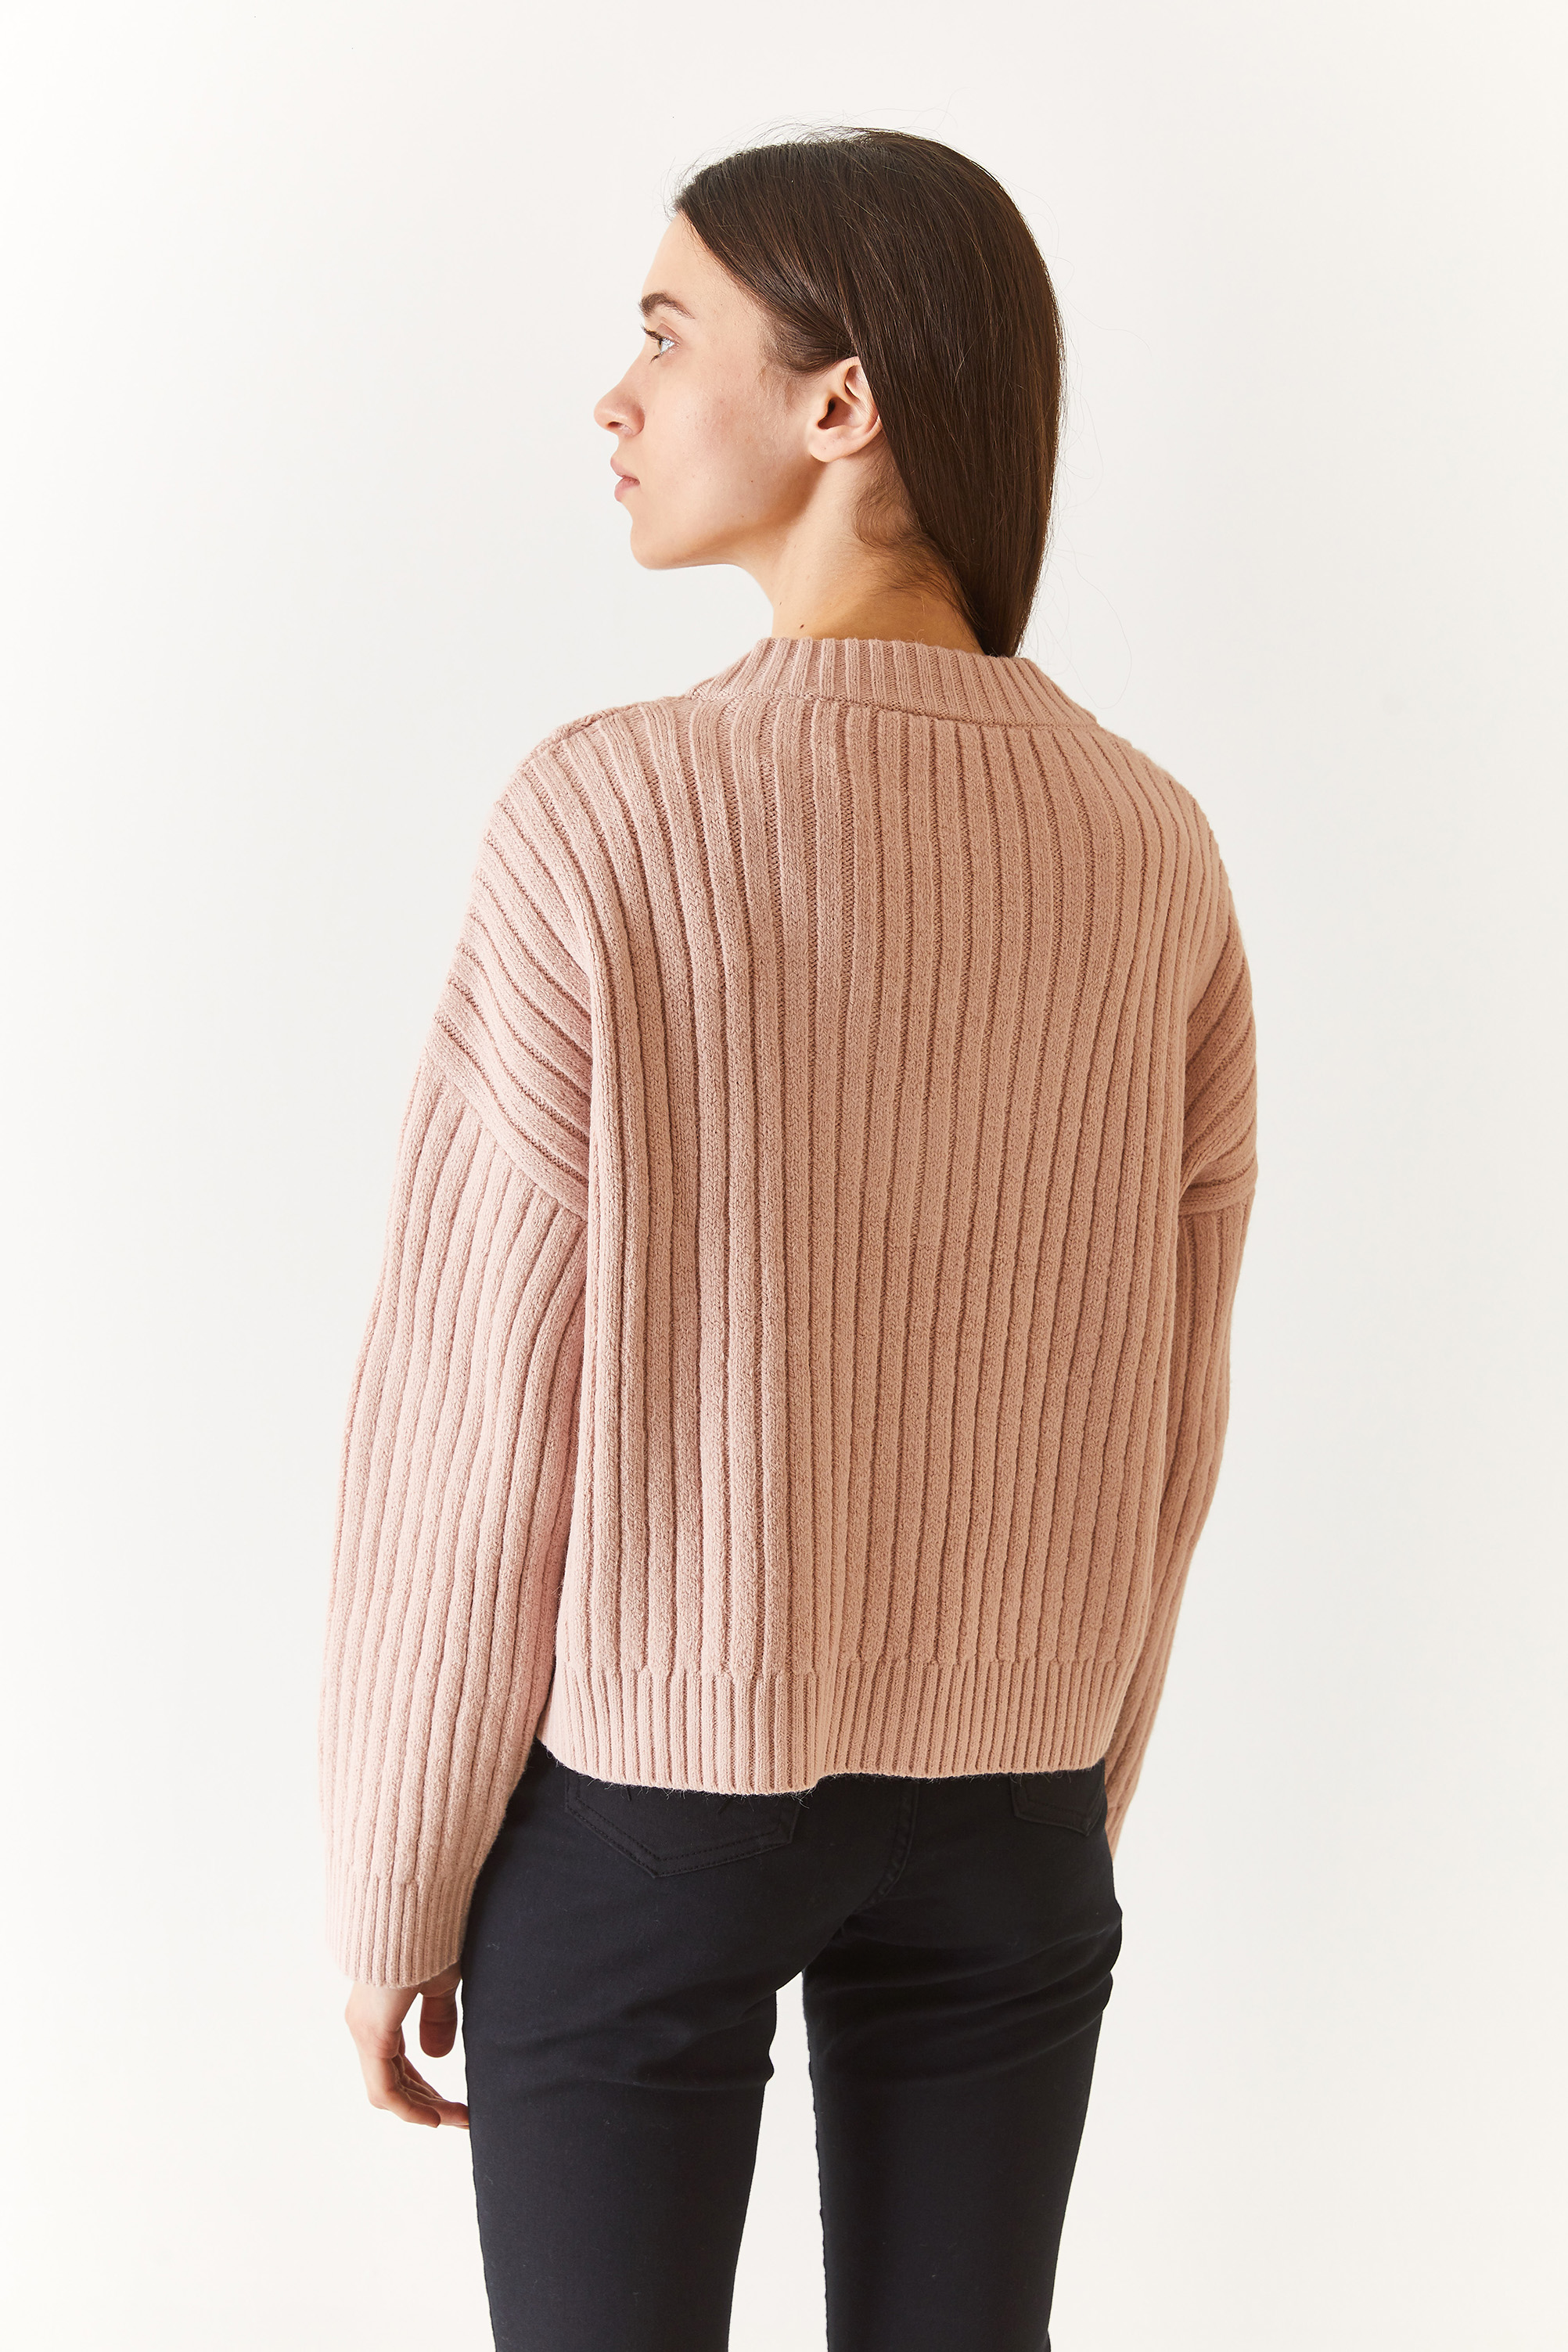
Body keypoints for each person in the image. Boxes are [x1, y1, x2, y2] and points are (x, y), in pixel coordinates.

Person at [318, 125, 1259, 2352]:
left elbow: (472, 1404)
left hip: (658, 1796)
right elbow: (1173, 1388)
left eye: (666, 334)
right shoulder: (1151, 844)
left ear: (843, 401)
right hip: (1016, 1802)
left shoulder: (610, 814)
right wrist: (1067, 1777)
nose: (616, 396)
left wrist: (390, 1883)